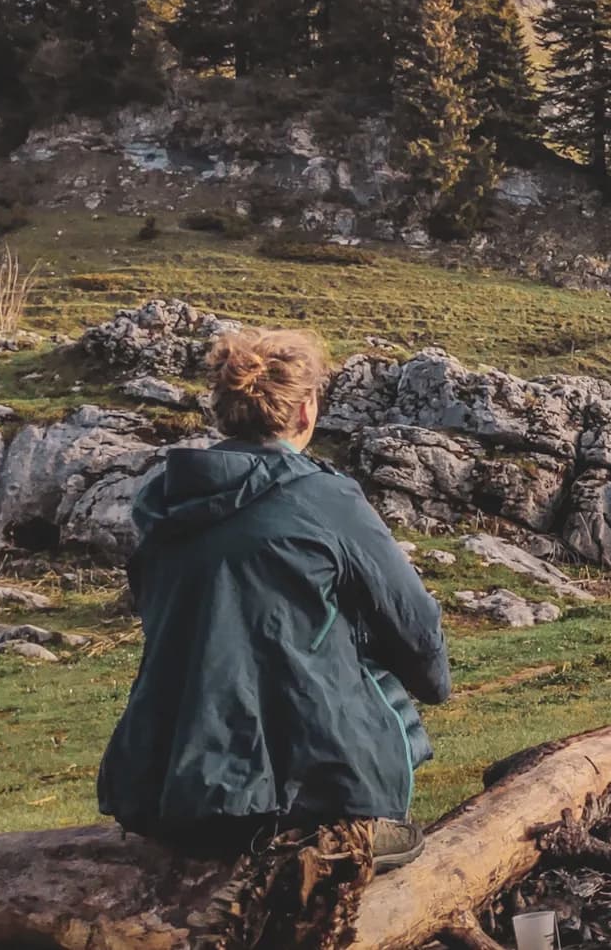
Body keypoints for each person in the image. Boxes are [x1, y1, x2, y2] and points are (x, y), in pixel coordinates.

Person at [98, 328, 449, 869]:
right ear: (306, 411)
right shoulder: (324, 497)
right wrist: (431, 685)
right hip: (317, 801)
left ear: (223, 410)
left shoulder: (162, 501)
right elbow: (415, 624)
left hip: (169, 792)